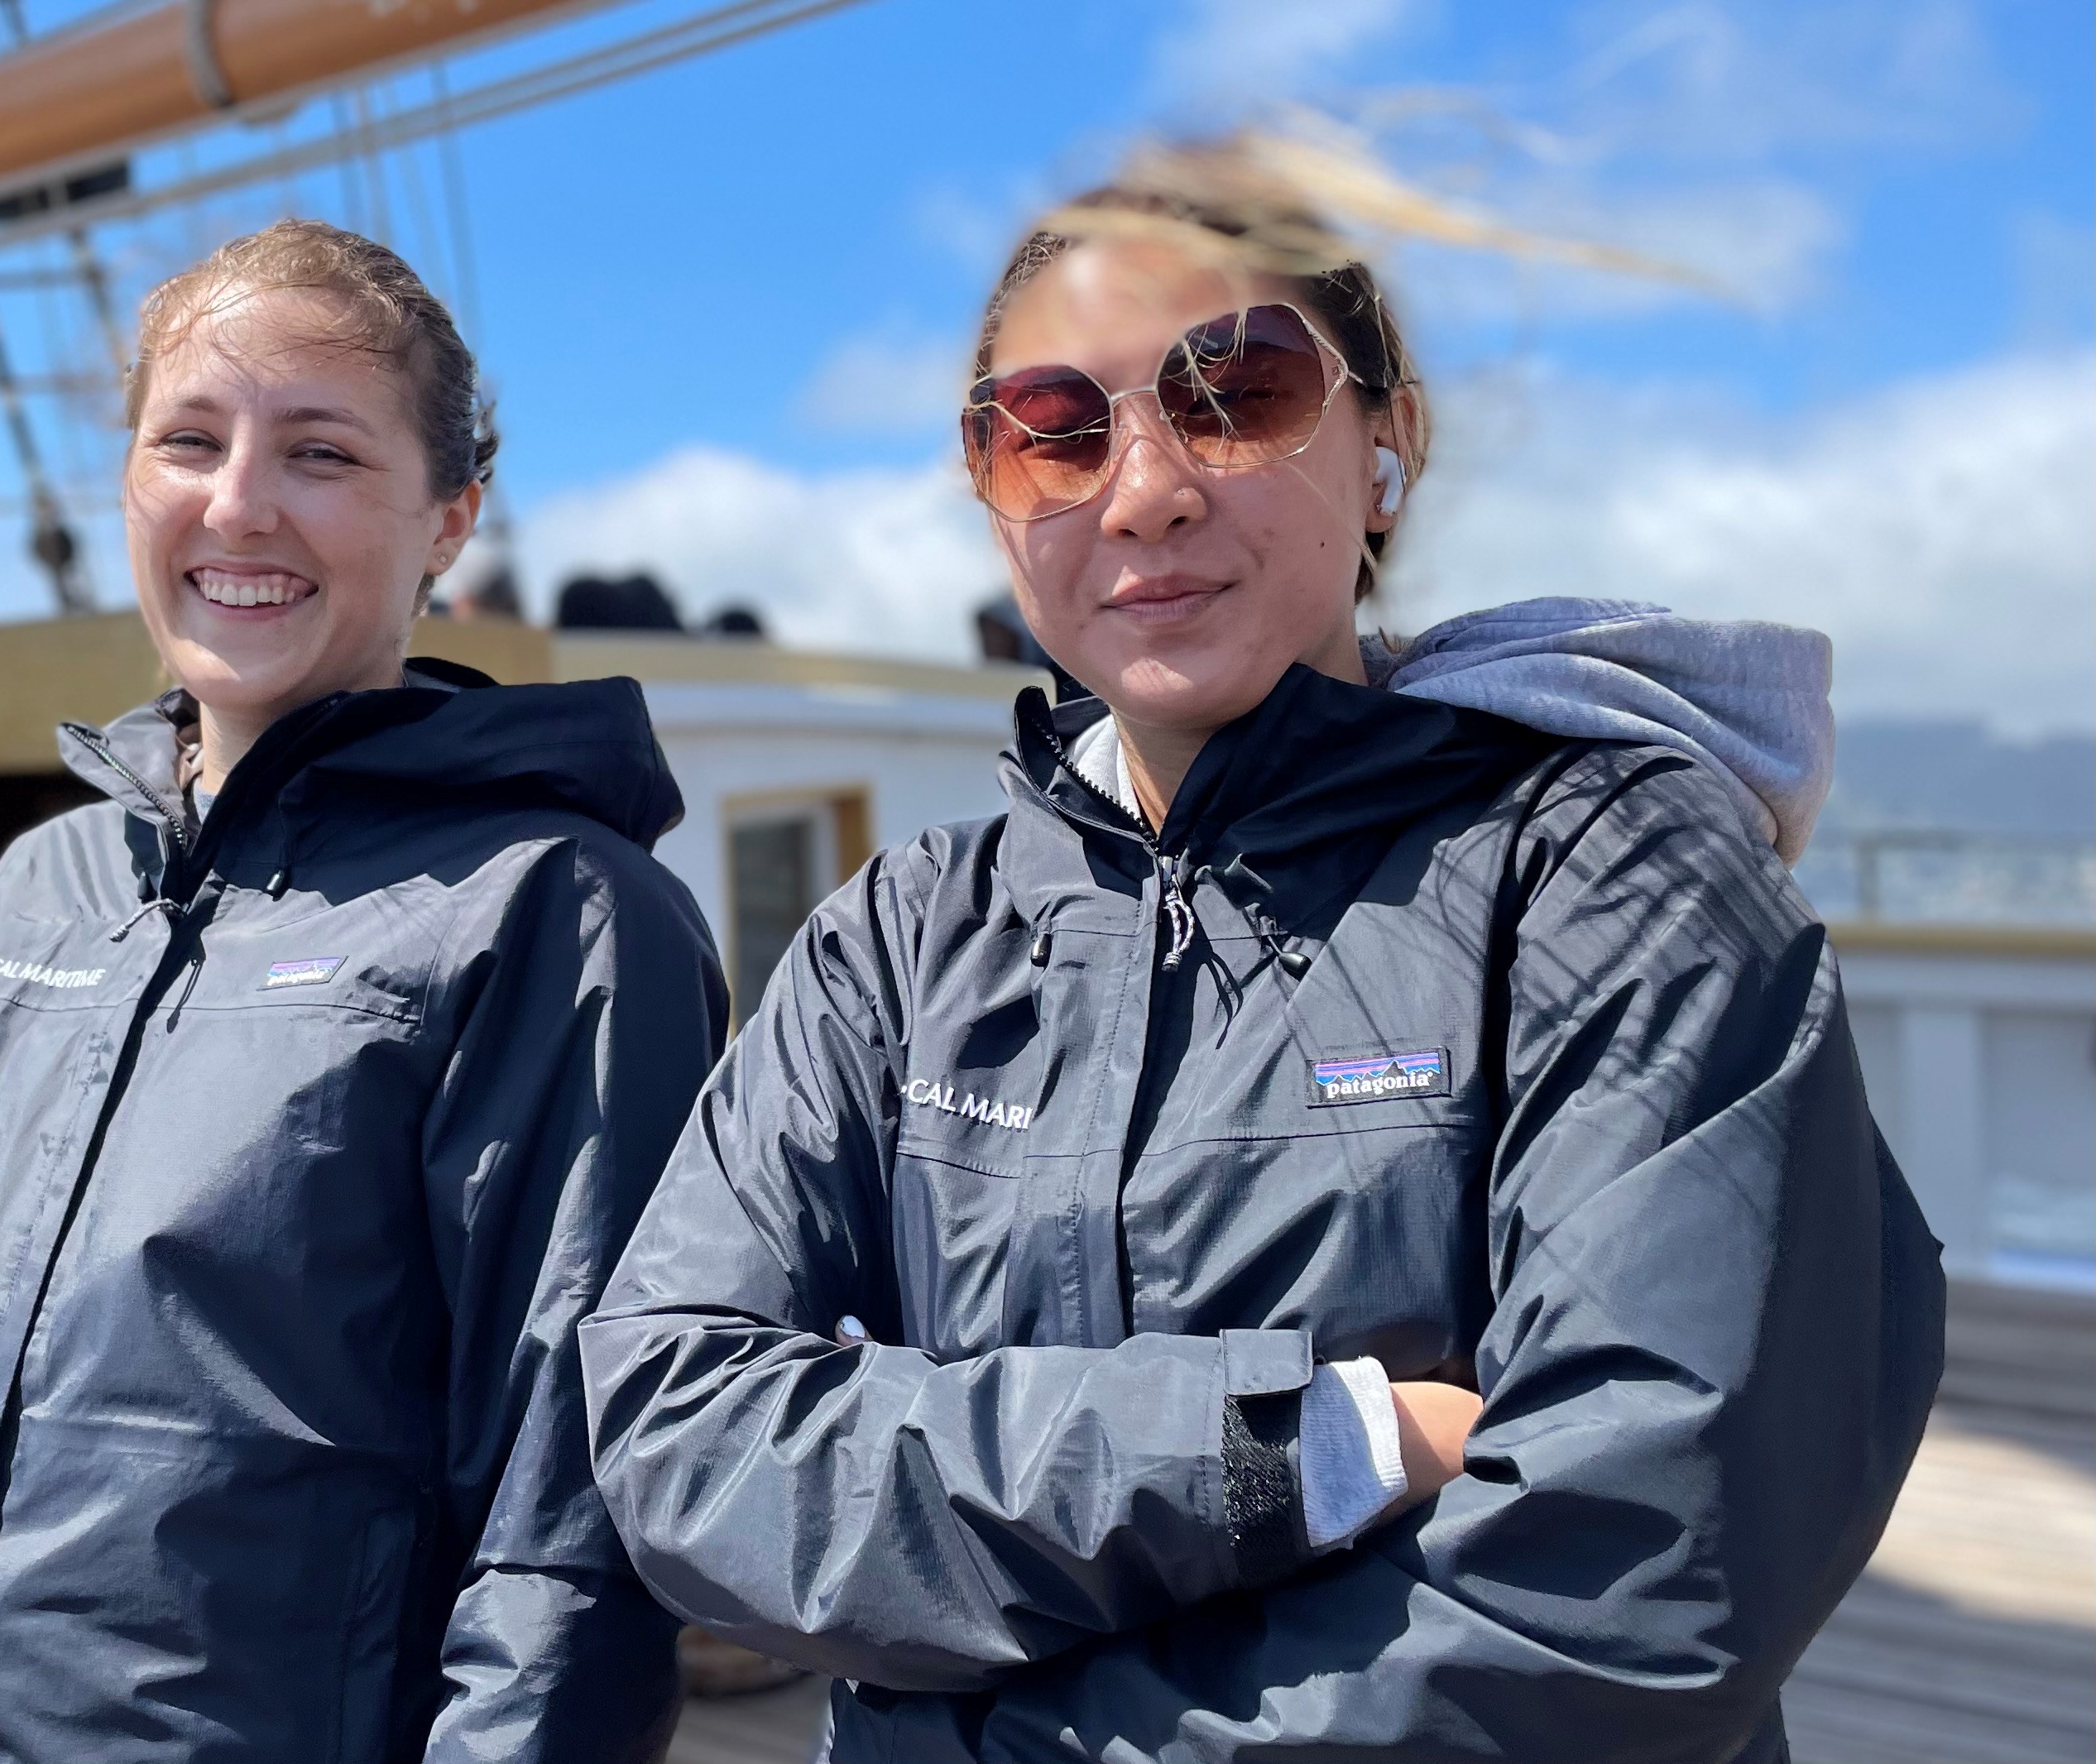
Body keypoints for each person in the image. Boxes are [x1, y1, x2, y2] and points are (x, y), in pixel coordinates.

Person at [582, 140, 1945, 1760]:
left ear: (1388, 442)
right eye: (1051, 431)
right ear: (992, 499)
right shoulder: (900, 936)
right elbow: (682, 1430)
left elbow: (1630, 1581)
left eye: (1233, 388)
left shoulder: (1611, 875)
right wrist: (1303, 1443)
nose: (1142, 484)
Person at [0, 221, 724, 1762]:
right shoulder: (34, 894)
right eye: (187, 440)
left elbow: (571, 1547)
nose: (238, 503)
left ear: (449, 517)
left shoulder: (555, 919)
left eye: (324, 454)